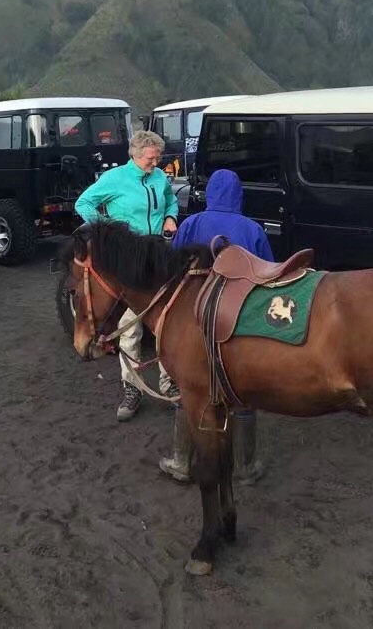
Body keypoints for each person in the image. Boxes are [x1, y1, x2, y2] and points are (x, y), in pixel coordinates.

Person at [158, 168, 271, 486]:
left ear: (210, 194)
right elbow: (269, 274)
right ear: (239, 195)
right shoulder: (252, 228)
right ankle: (244, 467)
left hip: (196, 316)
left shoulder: (191, 222)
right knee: (240, 393)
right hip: (238, 320)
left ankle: (181, 460)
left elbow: (173, 266)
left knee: (190, 387)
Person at [75, 129, 179, 420]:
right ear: (135, 155)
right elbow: (82, 204)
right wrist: (111, 232)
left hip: (158, 255)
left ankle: (169, 384)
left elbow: (170, 199)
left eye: (158, 158)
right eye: (151, 158)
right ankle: (131, 388)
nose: (155, 163)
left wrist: (171, 217)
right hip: (129, 260)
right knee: (130, 327)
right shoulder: (114, 179)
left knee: (165, 324)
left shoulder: (159, 177)